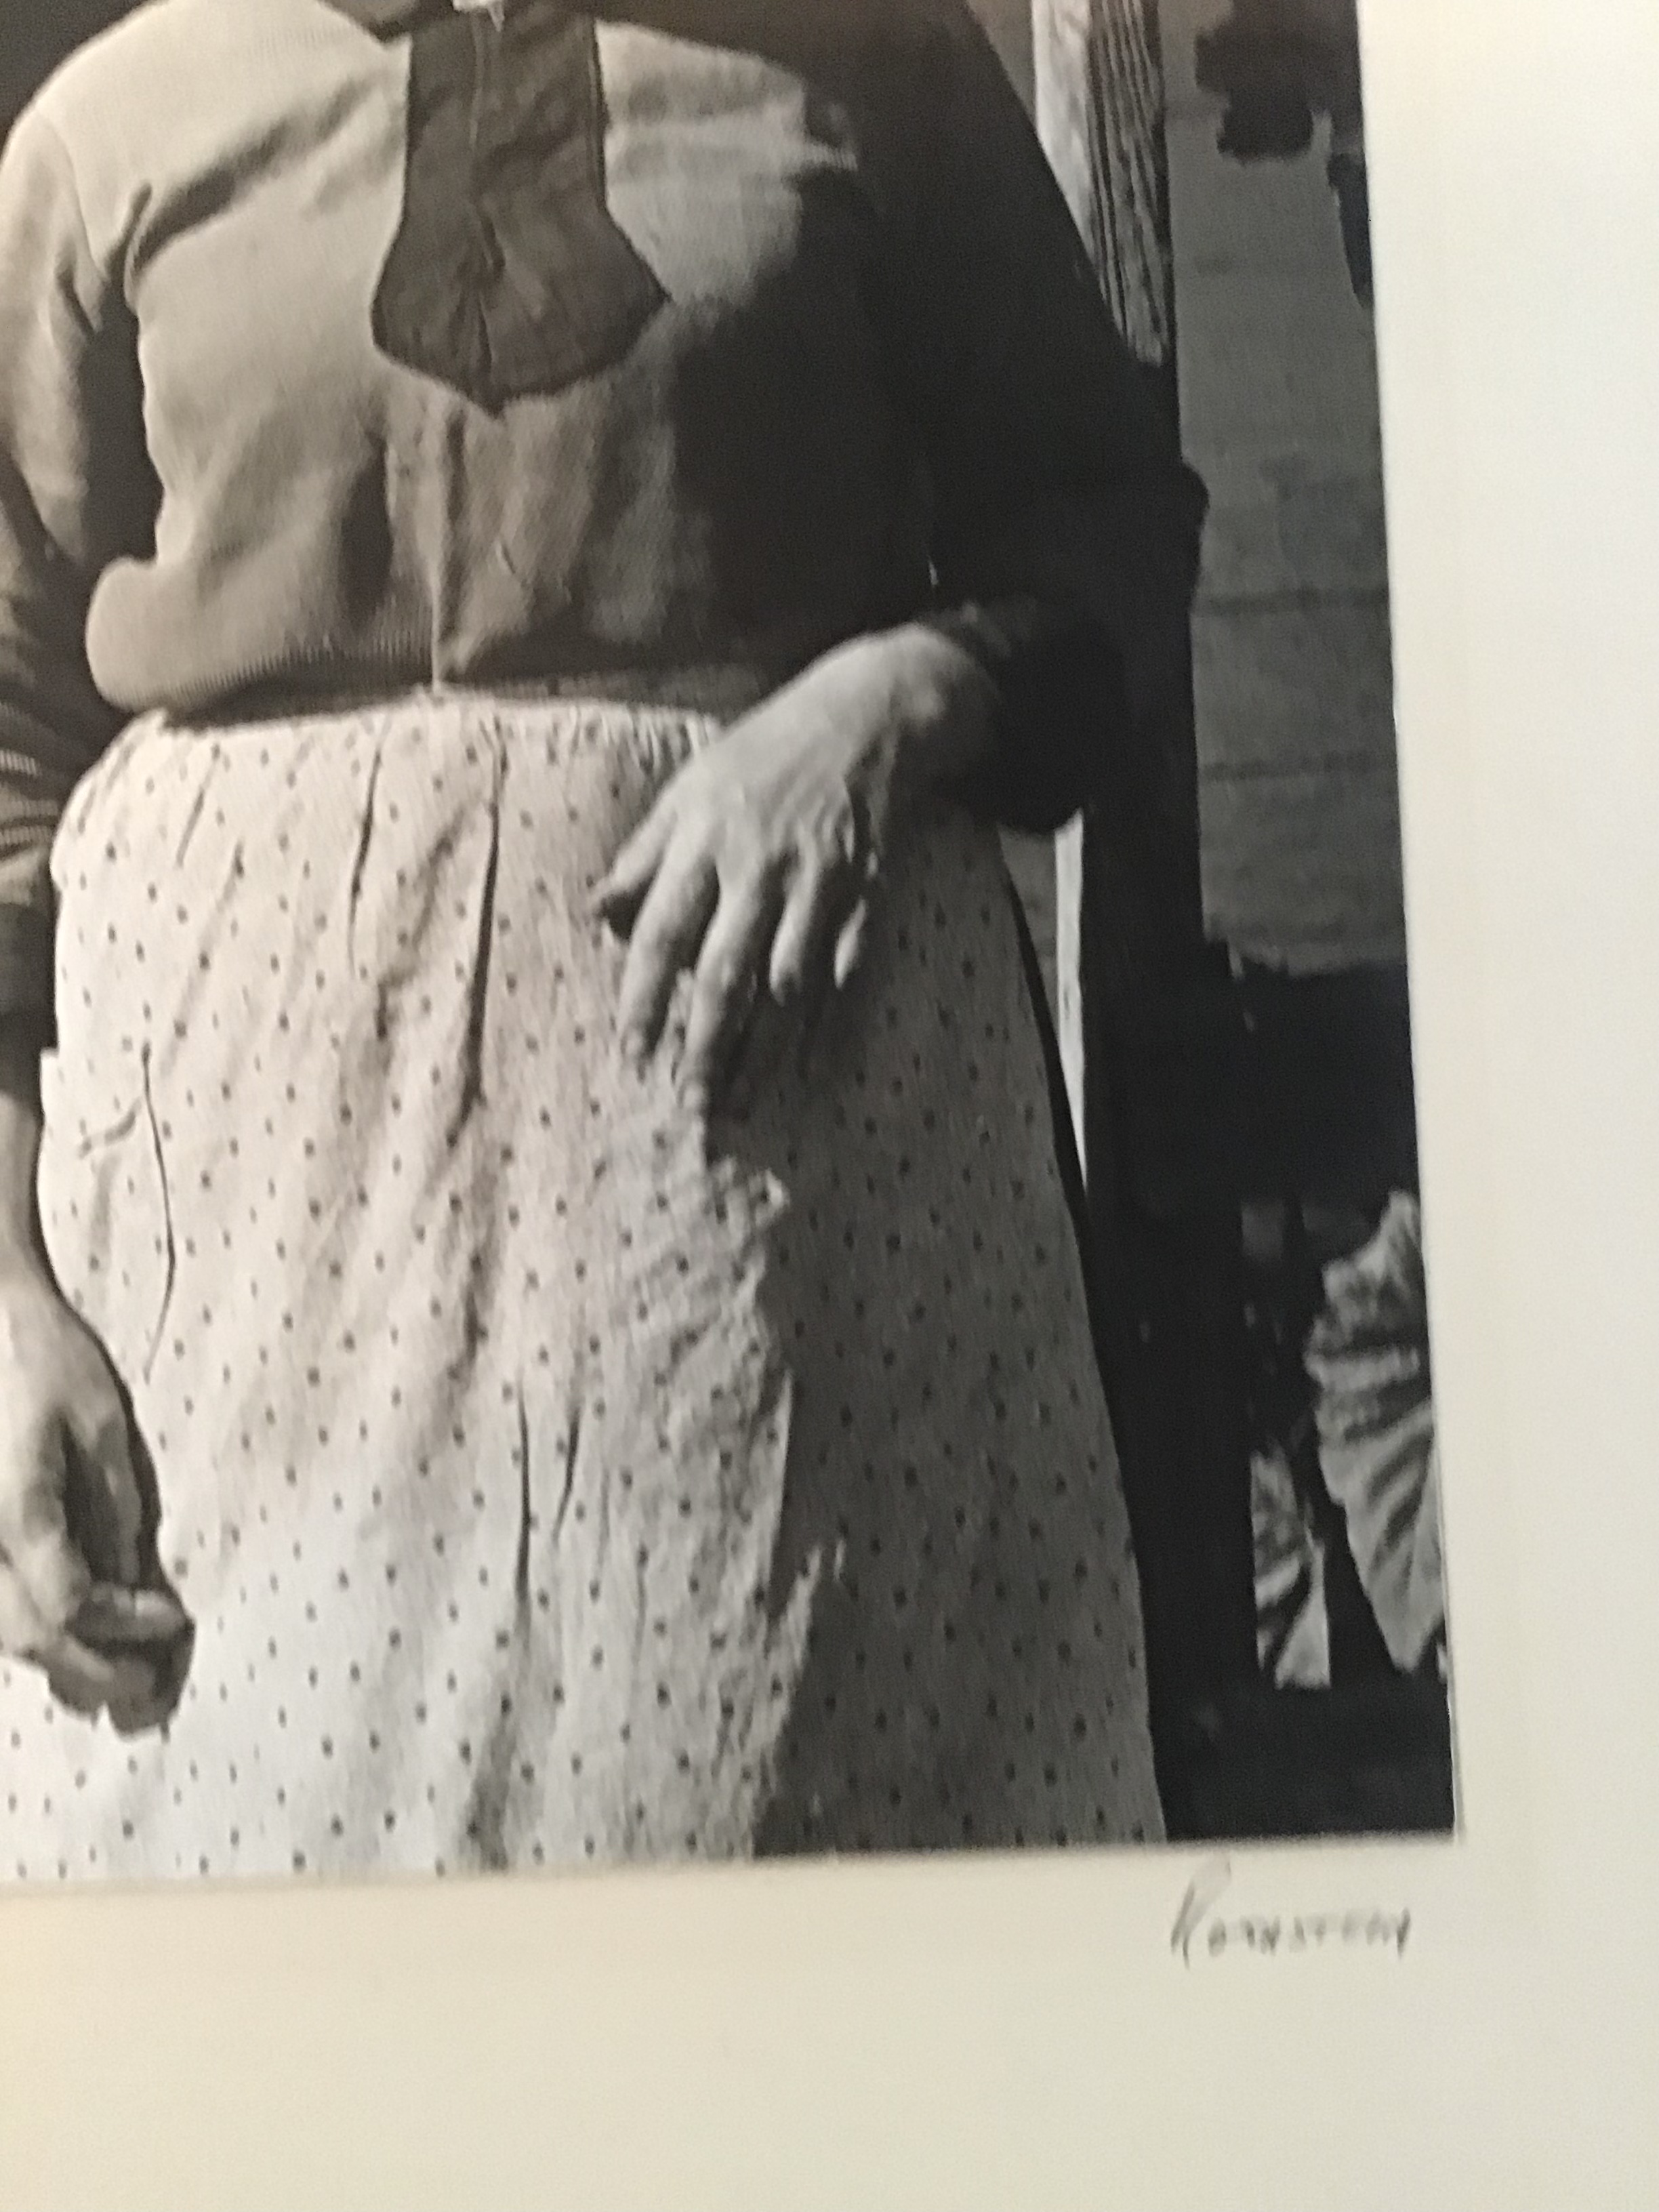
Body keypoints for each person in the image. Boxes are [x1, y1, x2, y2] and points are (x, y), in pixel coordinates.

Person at [0, 0, 1205, 1881]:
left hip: (774, 1202)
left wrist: (902, 689)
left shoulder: (865, 64)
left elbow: (1104, 521)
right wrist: (5, 1303)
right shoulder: (115, 127)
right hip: (247, 1251)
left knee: (784, 1857)